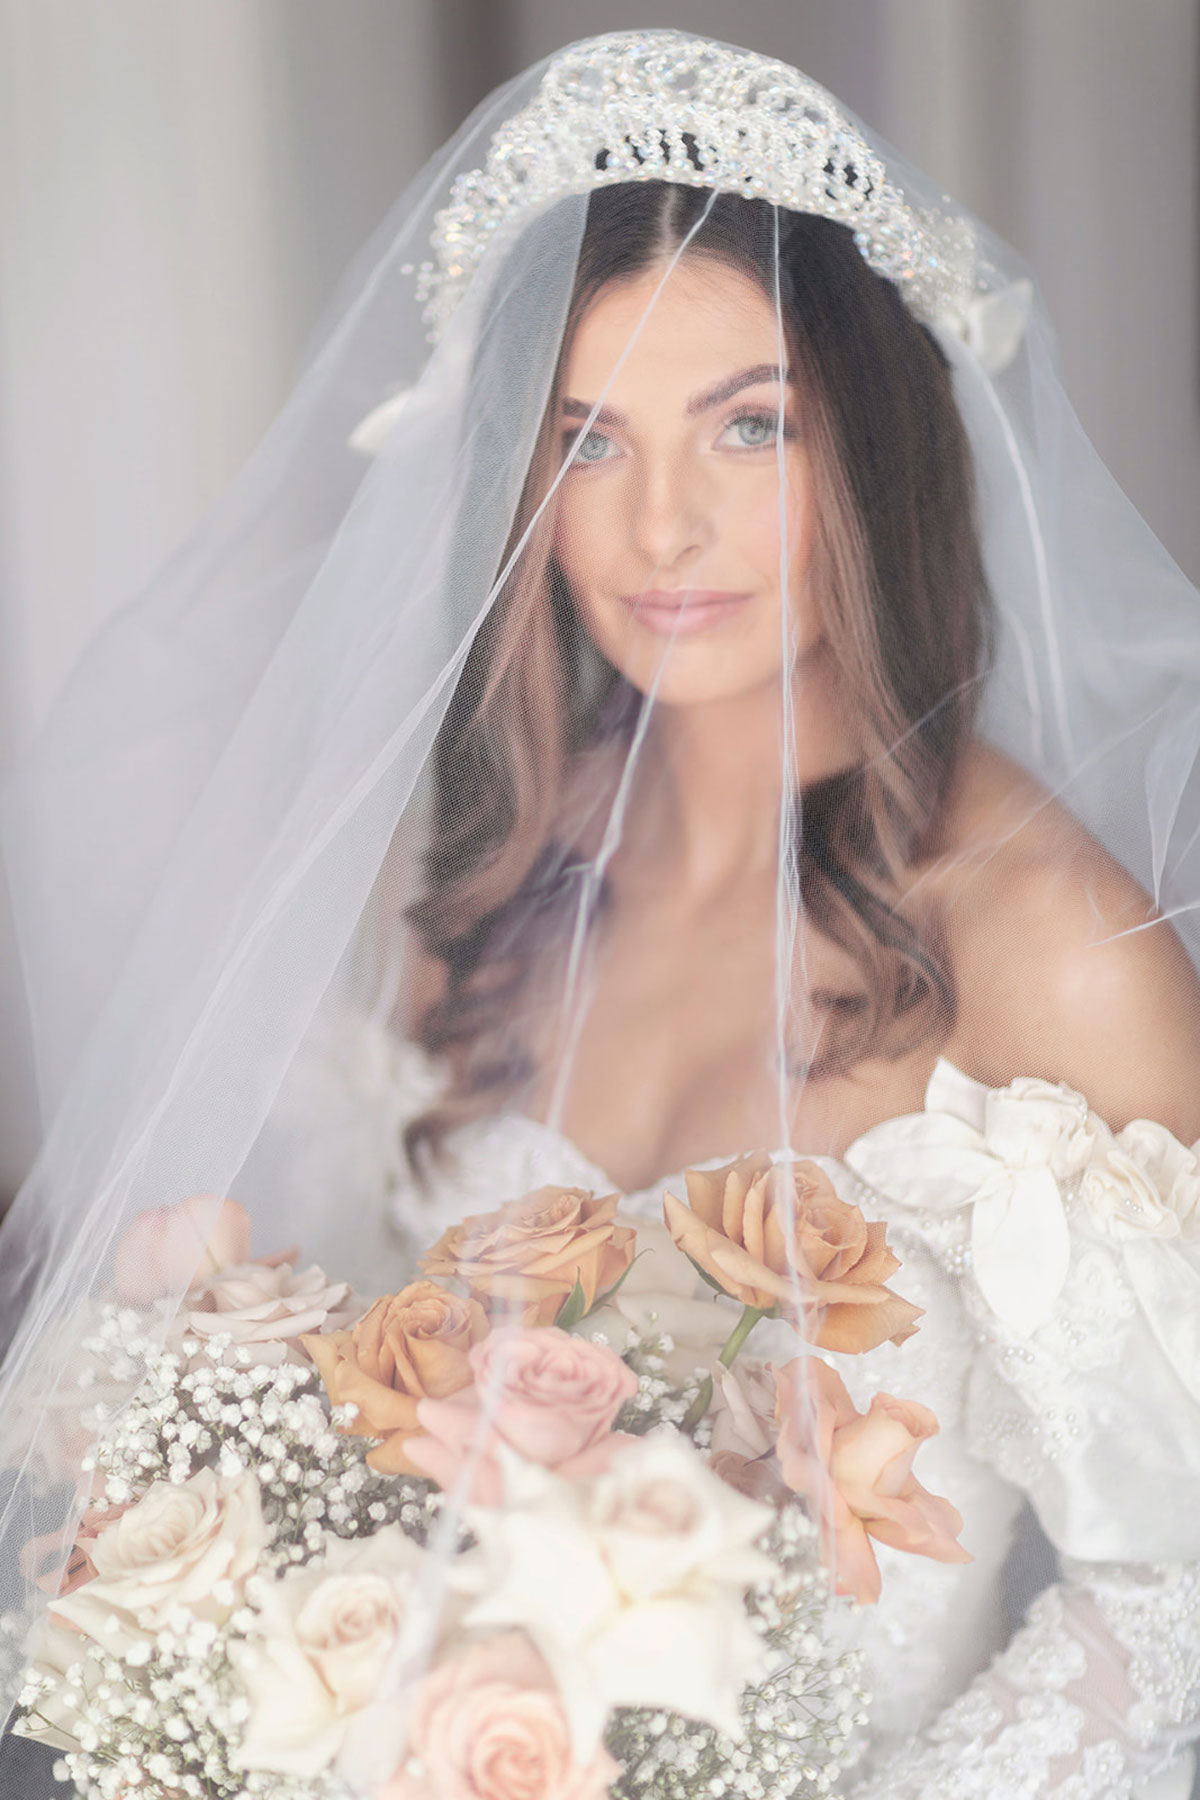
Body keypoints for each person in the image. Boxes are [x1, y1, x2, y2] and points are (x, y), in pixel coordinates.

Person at [2, 28, 1200, 1799]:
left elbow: (1171, 1594)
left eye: (748, 427)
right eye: (589, 443)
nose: (661, 529)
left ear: (875, 447)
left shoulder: (1050, 950)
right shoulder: (486, 894)